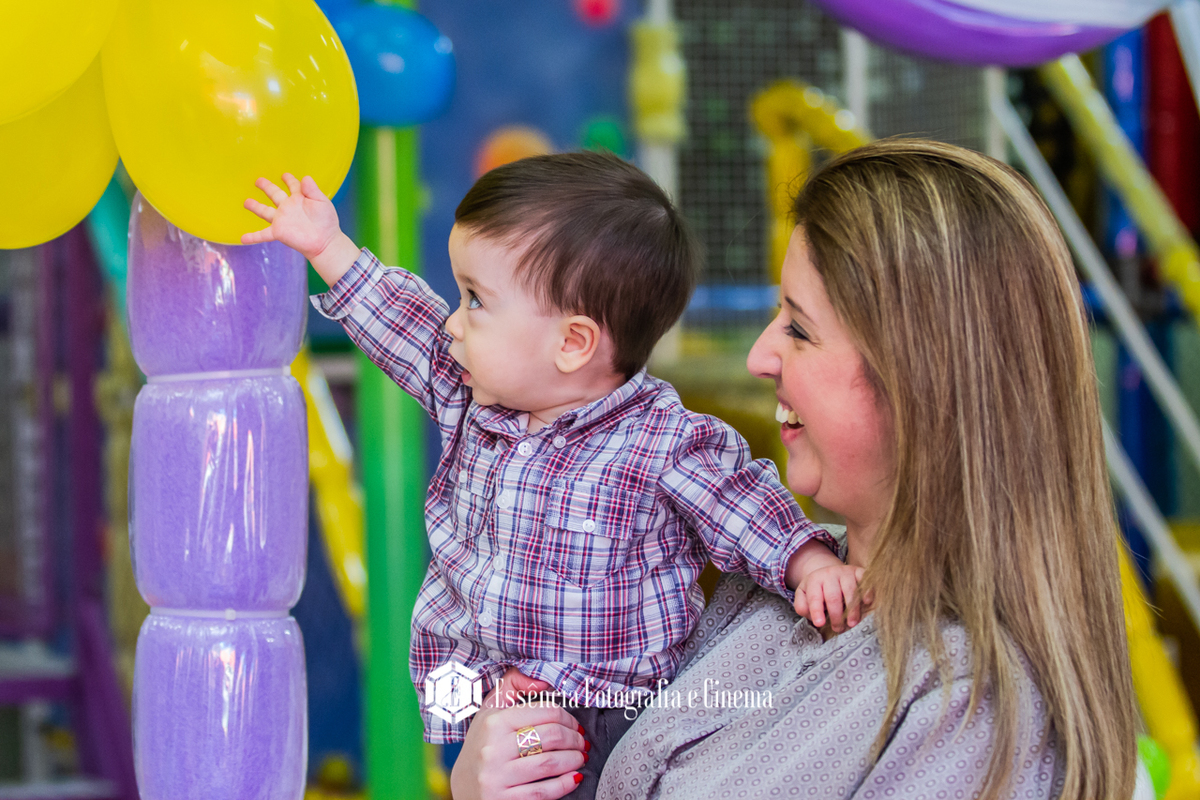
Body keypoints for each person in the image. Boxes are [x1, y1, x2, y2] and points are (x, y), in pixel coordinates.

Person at [448, 140, 1138, 800]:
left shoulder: (968, 708)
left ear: (926, 381)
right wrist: (512, 765)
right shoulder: (771, 589)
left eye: (799, 329)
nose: (758, 356)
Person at [241, 151, 864, 793]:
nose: (454, 322)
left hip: (613, 716)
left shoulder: (659, 438)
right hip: (483, 693)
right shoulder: (472, 395)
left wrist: (809, 563)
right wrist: (328, 246)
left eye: (476, 300)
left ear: (572, 343)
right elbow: (407, 326)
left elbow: (740, 502)